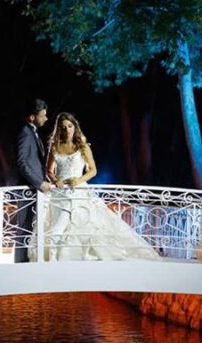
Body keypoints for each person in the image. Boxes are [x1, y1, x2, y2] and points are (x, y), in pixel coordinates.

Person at [28, 112, 160, 261]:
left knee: (80, 224)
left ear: (75, 126)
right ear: (59, 129)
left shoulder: (82, 146)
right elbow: (49, 170)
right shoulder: (55, 146)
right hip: (60, 193)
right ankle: (55, 259)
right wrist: (55, 179)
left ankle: (74, 258)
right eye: (63, 127)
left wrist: (78, 181)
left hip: (78, 190)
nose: (67, 130)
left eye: (69, 126)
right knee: (59, 225)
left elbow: (93, 170)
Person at [15, 98, 52, 263]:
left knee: (31, 226)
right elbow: (22, 163)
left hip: (33, 188)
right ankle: (20, 264)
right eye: (42, 115)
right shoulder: (25, 132)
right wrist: (39, 182)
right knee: (24, 227)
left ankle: (27, 262)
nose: (45, 118)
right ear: (32, 117)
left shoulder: (33, 132)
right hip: (27, 189)